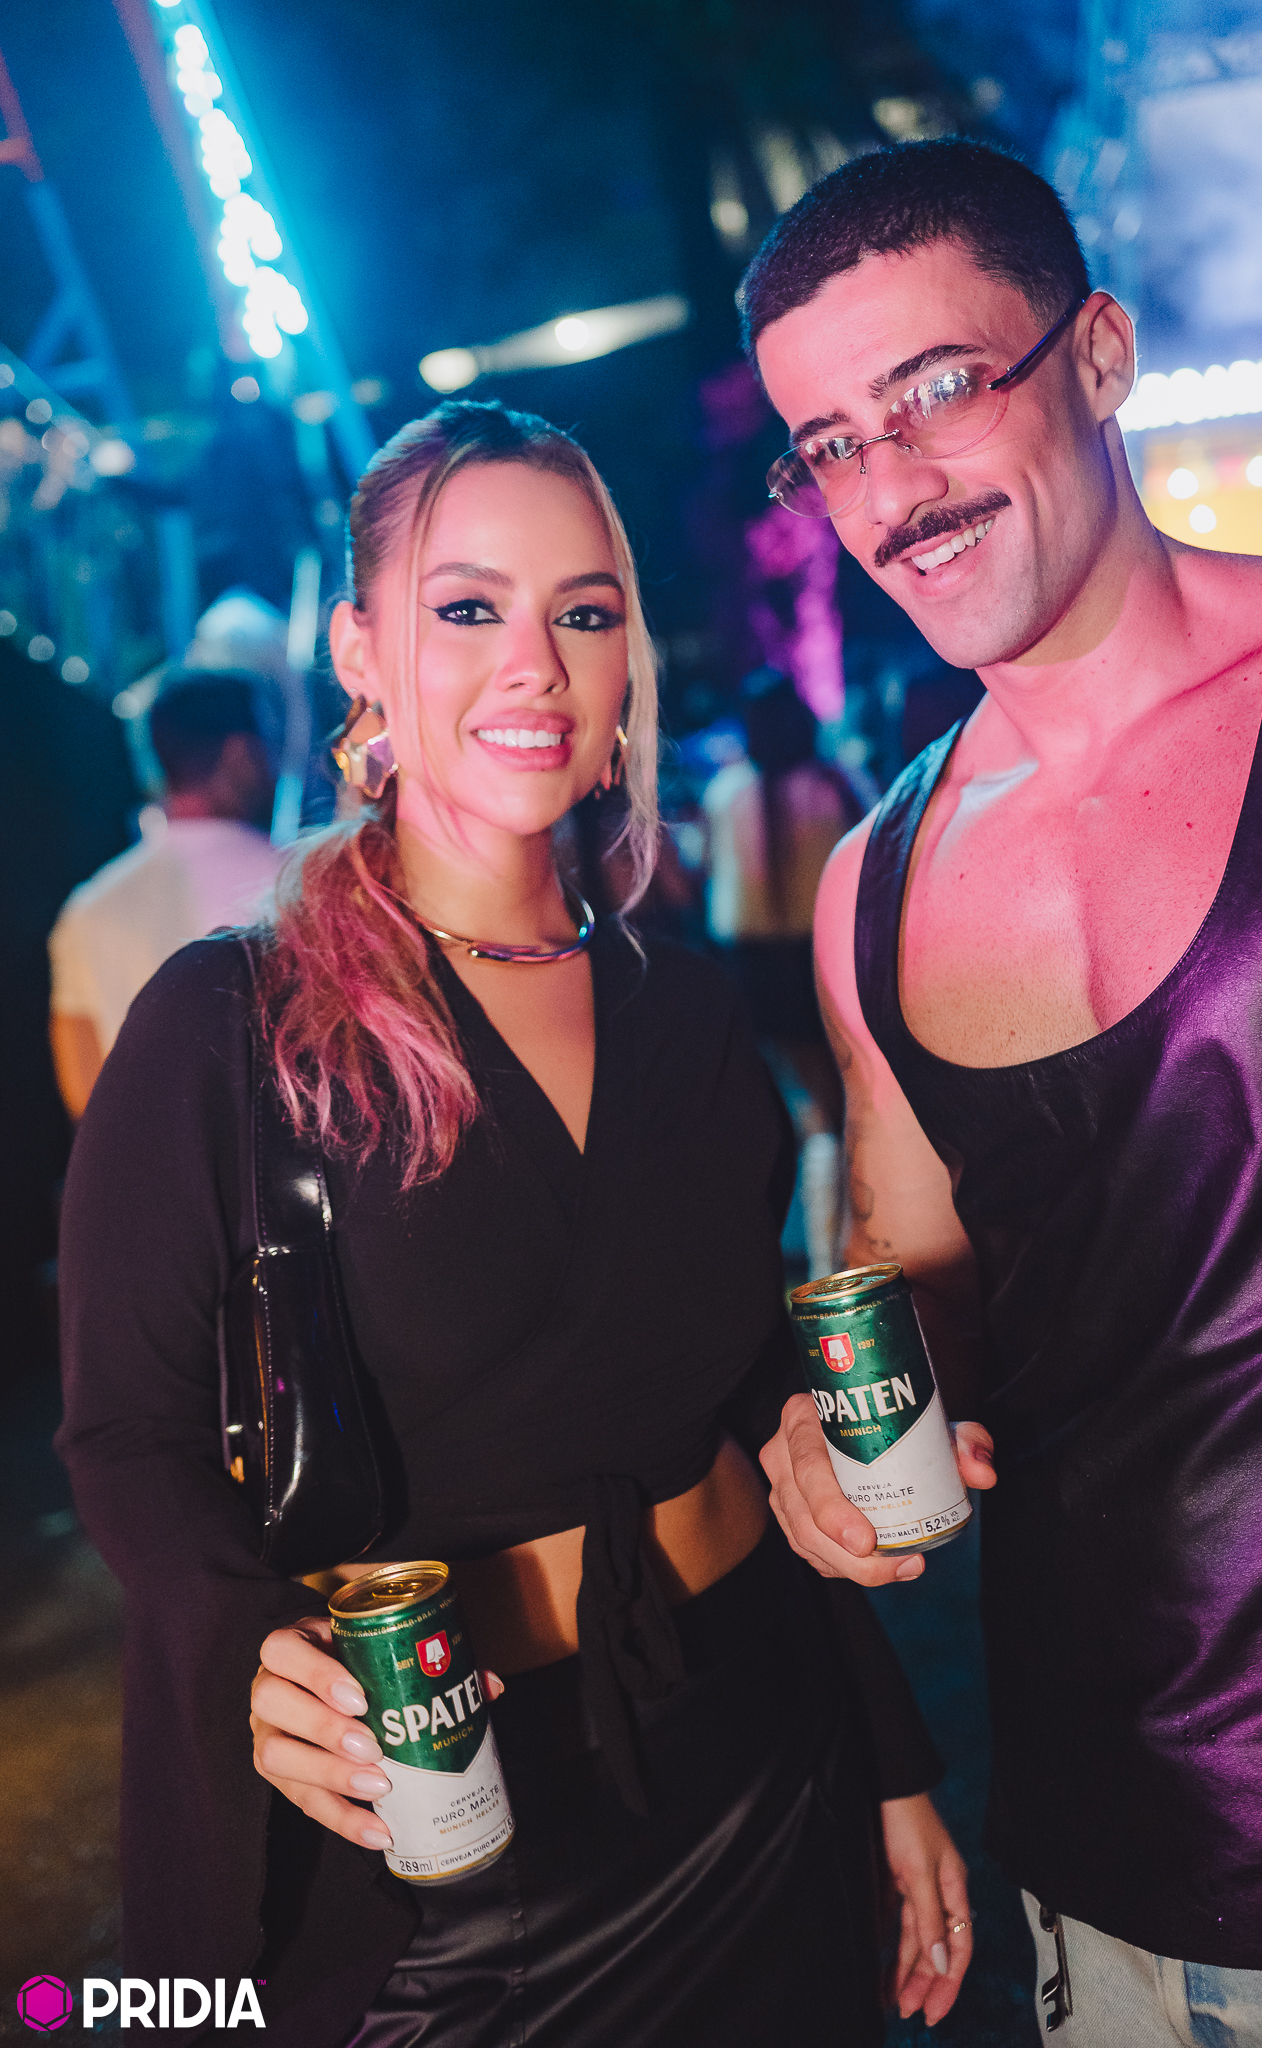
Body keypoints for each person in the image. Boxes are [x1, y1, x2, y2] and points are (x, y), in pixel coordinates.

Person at [56, 399, 976, 2046]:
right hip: (439, 1839)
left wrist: (891, 1761)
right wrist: (247, 1639)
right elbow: (125, 1434)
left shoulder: (686, 1009)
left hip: (763, 1761)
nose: (534, 666)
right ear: (360, 650)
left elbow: (744, 1406)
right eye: (468, 607)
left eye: (585, 612)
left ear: (628, 665)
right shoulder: (227, 1024)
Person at [743, 138, 1262, 2046]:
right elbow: (922, 1293)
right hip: (1095, 1873)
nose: (889, 491)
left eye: (937, 390)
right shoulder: (875, 880)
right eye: (829, 444)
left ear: (1097, 353)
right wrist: (834, 1438)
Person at [47, 668, 283, 1117]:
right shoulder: (302, 885)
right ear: (240, 754)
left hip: (142, 1156)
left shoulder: (88, 910)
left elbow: (85, 1096)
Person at [703, 668, 865, 1276]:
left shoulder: (725, 792)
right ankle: (831, 1262)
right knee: (834, 1111)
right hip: (821, 959)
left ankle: (803, 1255)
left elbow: (710, 877)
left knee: (794, 1112)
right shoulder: (834, 786)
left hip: (748, 969)